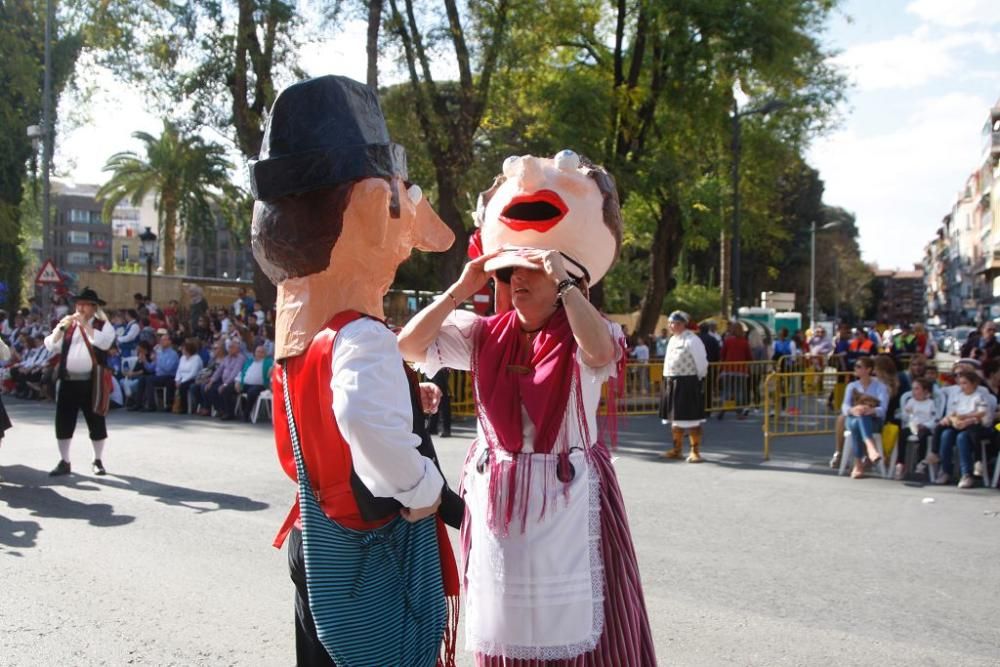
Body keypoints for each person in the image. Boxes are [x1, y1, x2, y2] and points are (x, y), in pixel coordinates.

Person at [398, 149, 655, 665]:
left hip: (571, 495)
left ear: (565, 282)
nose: (516, 279)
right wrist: (461, 287)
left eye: (530, 270)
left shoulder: (587, 332)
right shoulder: (484, 335)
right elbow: (409, 344)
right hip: (501, 501)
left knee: (585, 633)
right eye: (509, 269)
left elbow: (601, 352)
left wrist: (561, 278)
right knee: (507, 630)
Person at [250, 75, 460, 666]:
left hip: (316, 536)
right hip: (364, 543)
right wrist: (424, 490)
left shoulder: (303, 334)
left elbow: (329, 414)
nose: (405, 245)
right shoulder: (361, 333)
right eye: (398, 212)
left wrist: (400, 401)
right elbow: (360, 415)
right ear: (370, 208)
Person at [42, 288, 115, 476]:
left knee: (96, 420)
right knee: (64, 421)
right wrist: (59, 329)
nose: (80, 308)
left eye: (84, 304)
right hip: (68, 380)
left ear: (93, 307)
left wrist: (86, 326)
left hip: (92, 381)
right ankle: (64, 461)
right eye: (78, 304)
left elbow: (104, 343)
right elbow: (51, 345)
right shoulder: (69, 325)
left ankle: (97, 460)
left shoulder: (103, 325)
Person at [661, 310, 709, 462]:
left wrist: (697, 379)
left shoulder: (693, 340)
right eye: (669, 322)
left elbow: (702, 363)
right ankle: (677, 449)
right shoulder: (672, 340)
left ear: (682, 324)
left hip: (688, 382)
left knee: (691, 418)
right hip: (672, 382)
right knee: (675, 419)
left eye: (673, 322)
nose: (670, 325)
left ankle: (695, 451)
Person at [936, 370, 991, 488]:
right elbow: (952, 413)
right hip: (958, 425)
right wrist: (954, 421)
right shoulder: (958, 396)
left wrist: (966, 419)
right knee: (946, 434)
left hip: (973, 428)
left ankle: (967, 474)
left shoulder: (979, 396)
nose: (962, 386)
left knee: (962, 438)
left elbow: (983, 416)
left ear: (973, 384)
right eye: (960, 383)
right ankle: (945, 470)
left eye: (965, 383)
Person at [841, 356, 889, 479]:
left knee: (861, 419)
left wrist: (871, 410)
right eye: (855, 366)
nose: (855, 369)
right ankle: (870, 447)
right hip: (852, 418)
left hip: (873, 421)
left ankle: (858, 464)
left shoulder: (880, 387)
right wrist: (853, 409)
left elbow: (883, 410)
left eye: (859, 366)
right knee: (858, 418)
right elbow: (845, 406)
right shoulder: (852, 386)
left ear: (868, 369)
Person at [899, 377, 940, 480]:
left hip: (925, 427)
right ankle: (900, 463)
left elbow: (934, 419)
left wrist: (925, 425)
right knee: (902, 434)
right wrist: (907, 413)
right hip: (912, 426)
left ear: (925, 391)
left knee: (923, 436)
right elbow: (904, 418)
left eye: (917, 389)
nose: (914, 391)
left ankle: (920, 462)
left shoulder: (931, 403)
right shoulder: (911, 401)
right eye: (913, 389)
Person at [718, 321, 753, 419]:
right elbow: (749, 357)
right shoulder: (744, 342)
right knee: (739, 391)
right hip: (741, 370)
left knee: (727, 391)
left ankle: (724, 408)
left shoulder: (728, 341)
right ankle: (739, 412)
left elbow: (722, 354)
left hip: (728, 369)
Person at [235, 344, 271, 421]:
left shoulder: (269, 362)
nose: (259, 354)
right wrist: (237, 381)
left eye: (262, 352)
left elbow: (274, 368)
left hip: (260, 385)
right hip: (245, 384)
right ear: (254, 353)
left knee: (252, 392)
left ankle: (246, 414)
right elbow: (241, 372)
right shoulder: (249, 361)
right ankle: (228, 412)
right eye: (258, 352)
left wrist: (271, 369)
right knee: (229, 388)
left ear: (265, 354)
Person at [174, 338, 204, 414]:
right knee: (171, 383)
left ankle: (184, 407)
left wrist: (182, 381)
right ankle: (172, 404)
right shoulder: (182, 358)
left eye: (183, 348)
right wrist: (177, 380)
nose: (181, 350)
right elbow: (179, 370)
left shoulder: (196, 358)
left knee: (183, 386)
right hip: (182, 379)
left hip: (193, 378)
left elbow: (193, 373)